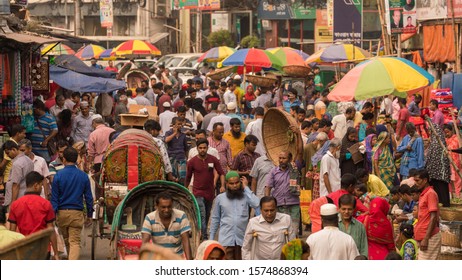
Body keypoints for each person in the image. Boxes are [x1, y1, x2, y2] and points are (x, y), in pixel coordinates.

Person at [51, 147, 93, 260]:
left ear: (64, 159)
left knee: (67, 241)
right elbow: (89, 197)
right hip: (76, 213)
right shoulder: (83, 176)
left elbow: (54, 198)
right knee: (74, 241)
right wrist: (90, 214)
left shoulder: (58, 176)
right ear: (76, 160)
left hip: (62, 213)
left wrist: (52, 215)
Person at [8, 171, 59, 259]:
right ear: (36, 185)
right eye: (41, 186)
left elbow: (12, 232)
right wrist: (56, 253)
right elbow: (51, 230)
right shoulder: (46, 204)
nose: (41, 188)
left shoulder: (15, 205)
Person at [209, 171, 259, 260]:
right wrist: (211, 240)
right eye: (231, 183)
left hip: (243, 240)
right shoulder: (220, 198)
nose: (235, 186)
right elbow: (215, 219)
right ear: (227, 184)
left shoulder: (246, 196)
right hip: (226, 240)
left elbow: (257, 204)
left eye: (237, 183)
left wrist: (246, 188)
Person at [185, 139, 225, 240]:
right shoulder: (192, 161)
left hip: (210, 191)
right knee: (202, 213)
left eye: (204, 148)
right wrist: (185, 189)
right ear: (197, 148)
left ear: (208, 148)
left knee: (207, 214)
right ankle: (204, 236)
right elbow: (188, 177)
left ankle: (202, 231)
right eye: (200, 148)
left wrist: (223, 185)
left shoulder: (213, 159)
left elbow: (221, 172)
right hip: (198, 191)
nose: (202, 150)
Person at [141, 192, 192, 260]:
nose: (166, 210)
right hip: (158, 258)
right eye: (163, 207)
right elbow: (145, 242)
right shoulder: (149, 218)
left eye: (169, 207)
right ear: (156, 206)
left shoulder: (181, 216)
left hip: (177, 257)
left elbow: (185, 240)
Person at [265, 151, 301, 235]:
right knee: (281, 231)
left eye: (284, 158)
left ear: (290, 159)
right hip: (279, 205)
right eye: (280, 158)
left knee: (294, 231)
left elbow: (300, 152)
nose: (281, 160)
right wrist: (266, 202)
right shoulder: (273, 171)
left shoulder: (295, 169)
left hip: (293, 204)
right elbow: (268, 186)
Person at [413, 169, 441, 260]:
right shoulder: (424, 194)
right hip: (424, 237)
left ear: (425, 180)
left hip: (430, 237)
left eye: (417, 180)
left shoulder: (430, 194)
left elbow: (433, 217)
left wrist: (426, 238)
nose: (416, 183)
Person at [425, 123, 451, 207]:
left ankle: (442, 206)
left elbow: (430, 158)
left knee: (439, 190)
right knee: (442, 189)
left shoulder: (435, 143)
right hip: (441, 173)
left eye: (430, 131)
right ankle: (444, 204)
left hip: (436, 173)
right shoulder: (441, 142)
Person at [2, 141, 34, 207]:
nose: (8, 155)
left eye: (8, 153)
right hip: (27, 197)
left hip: (18, 199)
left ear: (14, 149)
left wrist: (13, 204)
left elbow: (16, 185)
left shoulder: (17, 164)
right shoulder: (29, 160)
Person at [304, 132, 329, 199]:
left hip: (325, 177)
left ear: (326, 141)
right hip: (317, 179)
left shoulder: (328, 151)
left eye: (321, 141)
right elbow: (311, 163)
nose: (319, 142)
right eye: (318, 140)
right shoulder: (318, 152)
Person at [1, 124, 26, 191]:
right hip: (9, 179)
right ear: (18, 134)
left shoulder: (15, 144)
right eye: (23, 133)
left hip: (13, 178)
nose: (25, 135)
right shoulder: (9, 145)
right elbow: (3, 164)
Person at [165, 117, 189, 183]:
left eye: (181, 124)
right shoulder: (168, 133)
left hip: (181, 158)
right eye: (178, 124)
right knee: (173, 177)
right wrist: (174, 133)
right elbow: (166, 140)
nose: (180, 126)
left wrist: (187, 158)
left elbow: (186, 148)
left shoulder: (183, 135)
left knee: (182, 177)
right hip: (172, 158)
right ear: (173, 124)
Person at [443, 124, 461, 198]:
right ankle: (451, 197)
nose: (446, 134)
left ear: (451, 131)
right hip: (448, 163)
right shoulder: (445, 140)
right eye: (445, 132)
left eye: (448, 132)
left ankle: (458, 196)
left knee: (457, 180)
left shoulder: (457, 139)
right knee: (449, 180)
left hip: (456, 163)